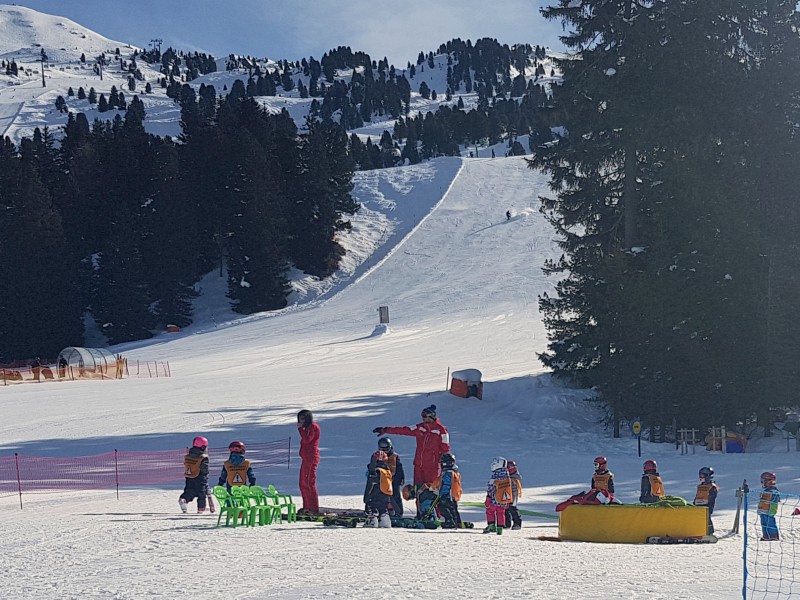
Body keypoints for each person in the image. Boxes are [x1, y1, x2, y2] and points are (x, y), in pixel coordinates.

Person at [373, 404, 450, 517]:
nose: (424, 419)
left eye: (426, 417)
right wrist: (386, 430)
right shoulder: (420, 428)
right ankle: (420, 513)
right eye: (422, 417)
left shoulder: (441, 431)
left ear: (432, 416)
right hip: (419, 465)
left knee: (431, 490)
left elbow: (445, 449)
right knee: (418, 490)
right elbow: (404, 430)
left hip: (432, 466)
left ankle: (435, 515)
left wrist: (445, 464)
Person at [429, 452, 462, 528]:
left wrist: (442, 494)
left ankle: (450, 521)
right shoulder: (454, 471)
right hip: (454, 495)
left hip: (447, 495)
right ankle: (457, 522)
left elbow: (446, 484)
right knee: (453, 508)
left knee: (442, 507)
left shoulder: (448, 473)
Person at [180, 435, 211, 514]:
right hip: (200, 478)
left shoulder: (188, 456)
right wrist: (205, 479)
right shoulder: (203, 457)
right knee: (201, 493)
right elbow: (204, 469)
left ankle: (184, 499)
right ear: (203, 447)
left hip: (189, 476)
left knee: (189, 491)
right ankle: (201, 508)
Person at [297, 409, 320, 514]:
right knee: (302, 482)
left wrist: (301, 429)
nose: (301, 421)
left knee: (309, 482)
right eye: (300, 418)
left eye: (303, 418)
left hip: (311, 458)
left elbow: (307, 440)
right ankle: (306, 506)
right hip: (306, 458)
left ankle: (313, 507)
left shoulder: (312, 427)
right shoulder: (306, 428)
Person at [363, 450, 393, 528]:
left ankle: (372, 521)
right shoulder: (387, 471)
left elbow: (370, 486)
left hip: (375, 496)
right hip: (386, 496)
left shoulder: (376, 472)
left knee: (372, 507)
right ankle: (385, 520)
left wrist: (366, 498)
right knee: (383, 509)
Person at [377, 437, 405, 516]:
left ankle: (398, 513)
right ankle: (383, 512)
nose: (385, 451)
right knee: (381, 496)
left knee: (395, 496)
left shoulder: (395, 456)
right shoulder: (378, 456)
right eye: (383, 450)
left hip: (394, 479)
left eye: (387, 449)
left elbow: (399, 468)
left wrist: (401, 478)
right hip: (382, 480)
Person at [484, 456, 512, 534]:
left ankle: (491, 525)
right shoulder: (507, 474)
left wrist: (489, 497)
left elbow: (492, 487)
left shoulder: (495, 475)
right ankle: (500, 528)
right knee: (501, 512)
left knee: (490, 511)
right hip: (503, 498)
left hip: (494, 498)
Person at [693, 466, 719, 535]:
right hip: (698, 506)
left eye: (702, 476)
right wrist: (694, 503)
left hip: (706, 506)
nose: (700, 477)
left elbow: (712, 499)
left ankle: (710, 532)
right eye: (700, 475)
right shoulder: (700, 486)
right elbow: (697, 495)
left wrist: (710, 508)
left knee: (707, 520)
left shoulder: (712, 486)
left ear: (707, 476)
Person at [758, 471, 780, 541]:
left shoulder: (773, 490)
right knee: (764, 523)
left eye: (763, 481)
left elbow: (774, 499)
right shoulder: (766, 490)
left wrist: (769, 501)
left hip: (769, 509)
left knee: (770, 522)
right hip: (763, 510)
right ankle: (766, 535)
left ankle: (773, 536)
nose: (762, 483)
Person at [505, 459, 523, 530]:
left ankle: (517, 523)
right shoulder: (507, 477)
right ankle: (506, 523)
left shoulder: (515, 478)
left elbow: (515, 488)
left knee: (512, 508)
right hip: (506, 494)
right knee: (505, 508)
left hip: (513, 494)